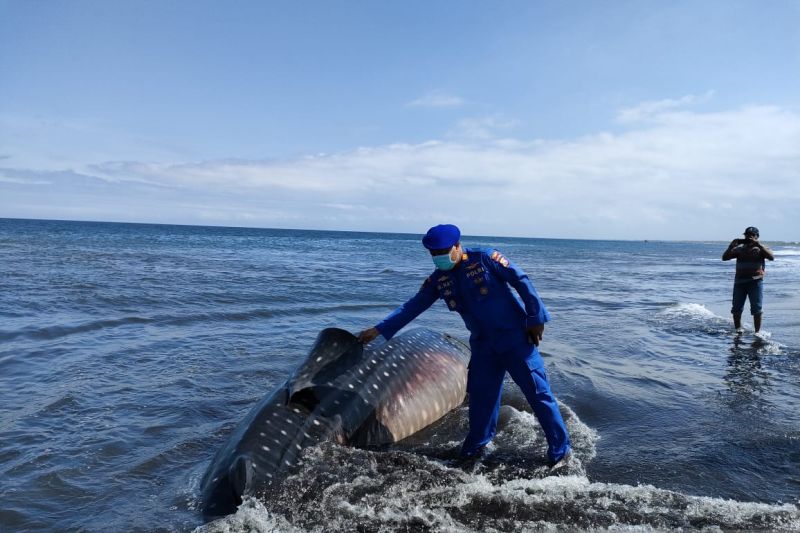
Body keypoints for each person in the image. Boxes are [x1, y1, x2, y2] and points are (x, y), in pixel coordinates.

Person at [358, 224, 572, 468]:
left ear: (458, 246)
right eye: (433, 254)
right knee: (481, 399)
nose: (439, 257)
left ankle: (560, 451)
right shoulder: (440, 280)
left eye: (443, 251)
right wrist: (378, 330)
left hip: (515, 339)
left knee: (538, 394)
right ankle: (476, 448)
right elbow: (412, 307)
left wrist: (536, 318)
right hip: (483, 346)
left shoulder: (486, 259)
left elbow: (521, 280)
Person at [722, 226, 774, 333]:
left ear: (757, 237)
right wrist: (730, 246)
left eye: (752, 235)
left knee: (757, 309)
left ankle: (757, 333)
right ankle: (738, 330)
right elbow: (724, 258)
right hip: (739, 283)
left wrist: (758, 244)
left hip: (755, 283)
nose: (748, 237)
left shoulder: (761, 248)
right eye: (747, 235)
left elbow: (771, 257)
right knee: (736, 309)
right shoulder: (739, 249)